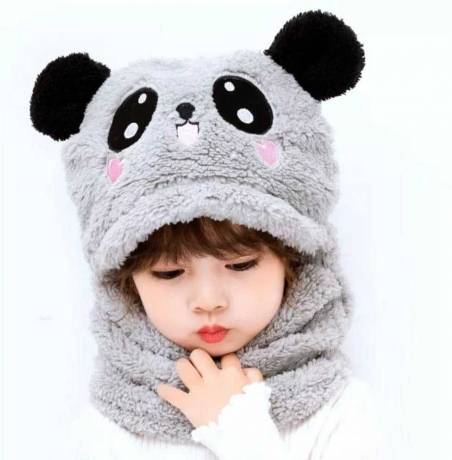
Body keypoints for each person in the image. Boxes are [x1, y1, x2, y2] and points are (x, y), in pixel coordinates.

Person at [29, 9, 388, 460]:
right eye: (168, 272)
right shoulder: (105, 430)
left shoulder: (336, 410)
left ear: (293, 260)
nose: (208, 300)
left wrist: (238, 429)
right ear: (125, 281)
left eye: (240, 264)